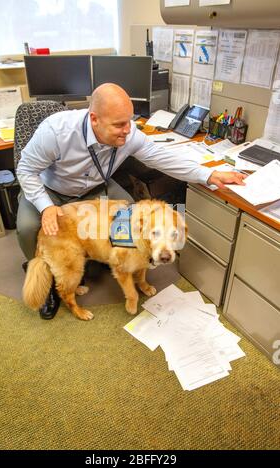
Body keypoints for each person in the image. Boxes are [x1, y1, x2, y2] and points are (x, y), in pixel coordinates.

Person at [16, 83, 246, 320]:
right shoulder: (56, 132)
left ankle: (111, 256)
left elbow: (162, 157)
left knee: (132, 214)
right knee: (27, 228)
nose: (127, 130)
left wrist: (208, 175)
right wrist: (46, 207)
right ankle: (51, 281)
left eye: (129, 121)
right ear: (94, 119)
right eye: (118, 124)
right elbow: (24, 170)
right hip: (50, 190)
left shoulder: (129, 133)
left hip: (96, 188)